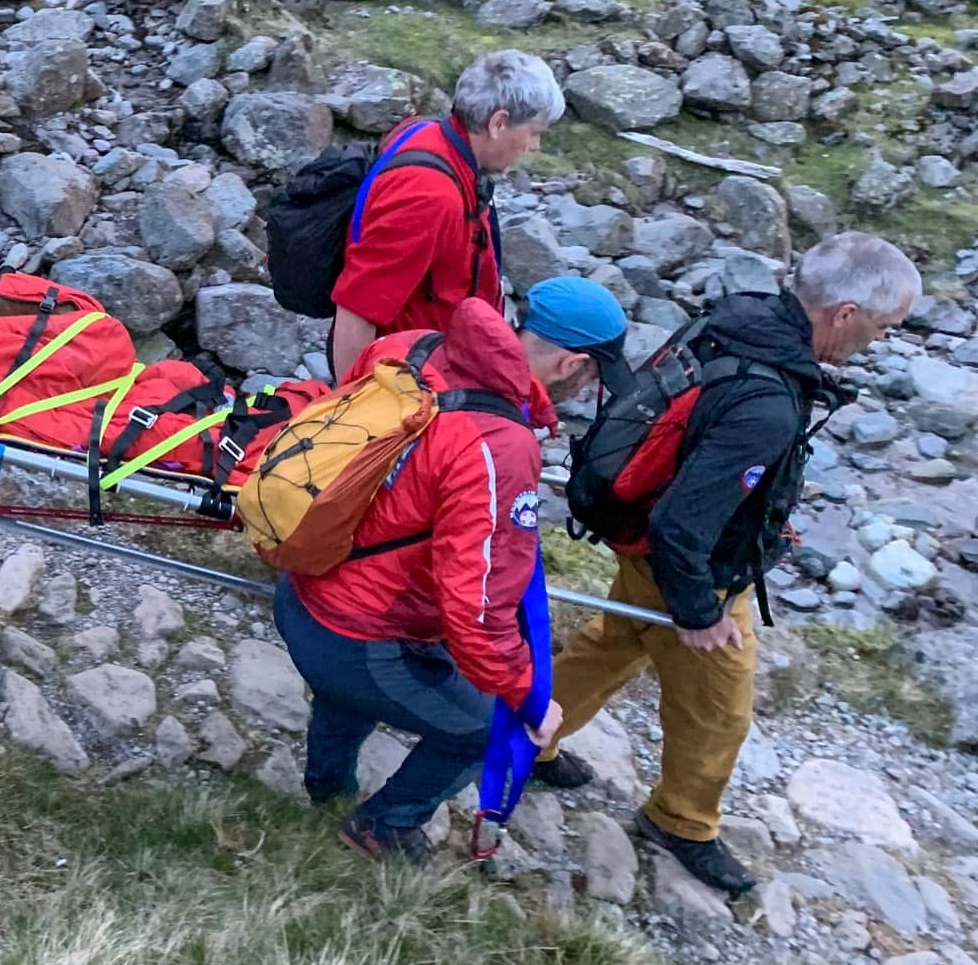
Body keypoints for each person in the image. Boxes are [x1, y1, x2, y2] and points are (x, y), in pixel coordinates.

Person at [535, 233, 921, 894]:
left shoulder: (738, 316)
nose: (880, 343)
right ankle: (681, 821)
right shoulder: (768, 401)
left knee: (613, 645)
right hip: (691, 568)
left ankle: (525, 738)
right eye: (884, 329)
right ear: (844, 314)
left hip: (636, 537)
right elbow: (682, 525)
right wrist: (700, 614)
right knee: (720, 710)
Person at [274, 277, 630, 863]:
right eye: (593, 377)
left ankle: (325, 787)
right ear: (574, 363)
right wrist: (530, 700)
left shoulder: (413, 346)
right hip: (360, 631)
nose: (586, 388)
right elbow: (477, 610)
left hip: (305, 583)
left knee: (351, 693)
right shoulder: (502, 445)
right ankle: (381, 828)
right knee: (484, 729)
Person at [329, 50, 565, 381]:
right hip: (409, 380)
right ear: (498, 123)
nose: (535, 146)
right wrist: (354, 411)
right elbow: (357, 308)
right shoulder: (429, 195)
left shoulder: (429, 133)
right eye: (533, 132)